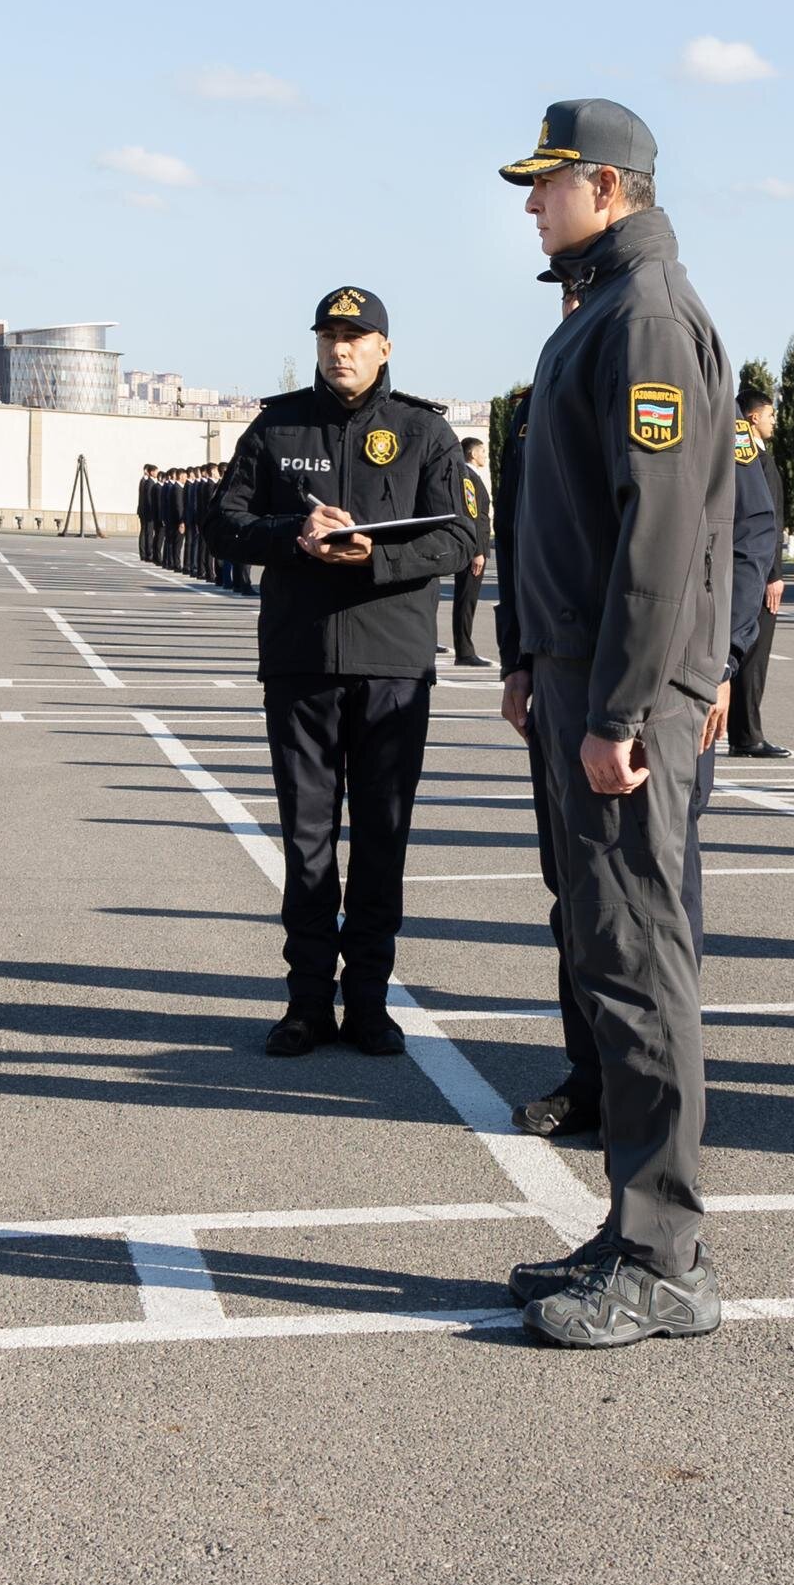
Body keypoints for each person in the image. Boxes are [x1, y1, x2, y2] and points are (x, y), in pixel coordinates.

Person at [492, 100, 733, 1350]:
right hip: (580, 675)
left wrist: (626, 703)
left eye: (545, 186)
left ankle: (664, 1253)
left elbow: (657, 531)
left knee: (639, 965)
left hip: (622, 694)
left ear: (607, 185)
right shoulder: (596, 306)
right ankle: (629, 1225)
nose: (530, 205)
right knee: (606, 954)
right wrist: (534, 657)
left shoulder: (642, 313)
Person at [209, 284, 478, 1056]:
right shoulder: (277, 423)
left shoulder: (424, 431)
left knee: (383, 838)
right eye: (330, 335)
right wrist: (296, 534)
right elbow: (222, 523)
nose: (341, 348)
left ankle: (368, 1000)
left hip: (392, 663)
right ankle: (304, 1003)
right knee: (307, 839)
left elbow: (460, 536)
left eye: (356, 336)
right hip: (301, 663)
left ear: (384, 348)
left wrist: (375, 554)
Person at [726, 375, 789, 760]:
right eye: (769, 414)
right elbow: (766, 522)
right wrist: (774, 575)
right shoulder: (756, 460)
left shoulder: (751, 456)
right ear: (751, 419)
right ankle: (747, 735)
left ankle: (744, 730)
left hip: (755, 569)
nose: (774, 420)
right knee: (754, 655)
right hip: (760, 572)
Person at [450, 432, 493, 668]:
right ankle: (464, 651)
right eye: (483, 451)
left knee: (467, 600)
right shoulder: (468, 478)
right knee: (466, 600)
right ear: (472, 453)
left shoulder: (471, 476)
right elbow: (473, 515)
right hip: (474, 550)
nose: (485, 455)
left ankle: (464, 649)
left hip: (476, 547)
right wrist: (478, 551)